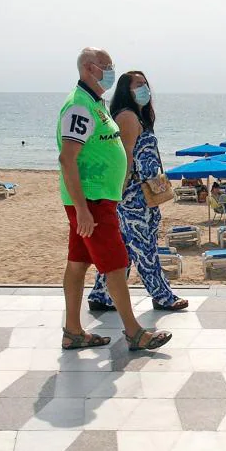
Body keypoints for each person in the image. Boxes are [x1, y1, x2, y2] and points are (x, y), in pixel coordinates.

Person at [58, 48, 171, 352]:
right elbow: (67, 159)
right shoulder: (79, 107)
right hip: (91, 201)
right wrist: (82, 209)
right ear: (89, 68)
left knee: (78, 263)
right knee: (116, 265)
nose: (110, 71)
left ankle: (73, 331)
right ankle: (134, 332)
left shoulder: (95, 104)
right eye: (106, 66)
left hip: (98, 199)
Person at [87, 70, 187, 313]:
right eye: (138, 85)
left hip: (143, 193)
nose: (145, 89)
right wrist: (119, 193)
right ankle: (162, 296)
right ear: (126, 91)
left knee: (125, 247)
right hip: (134, 195)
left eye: (145, 84)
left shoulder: (138, 117)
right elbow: (126, 157)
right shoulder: (128, 117)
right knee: (145, 246)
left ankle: (101, 295)